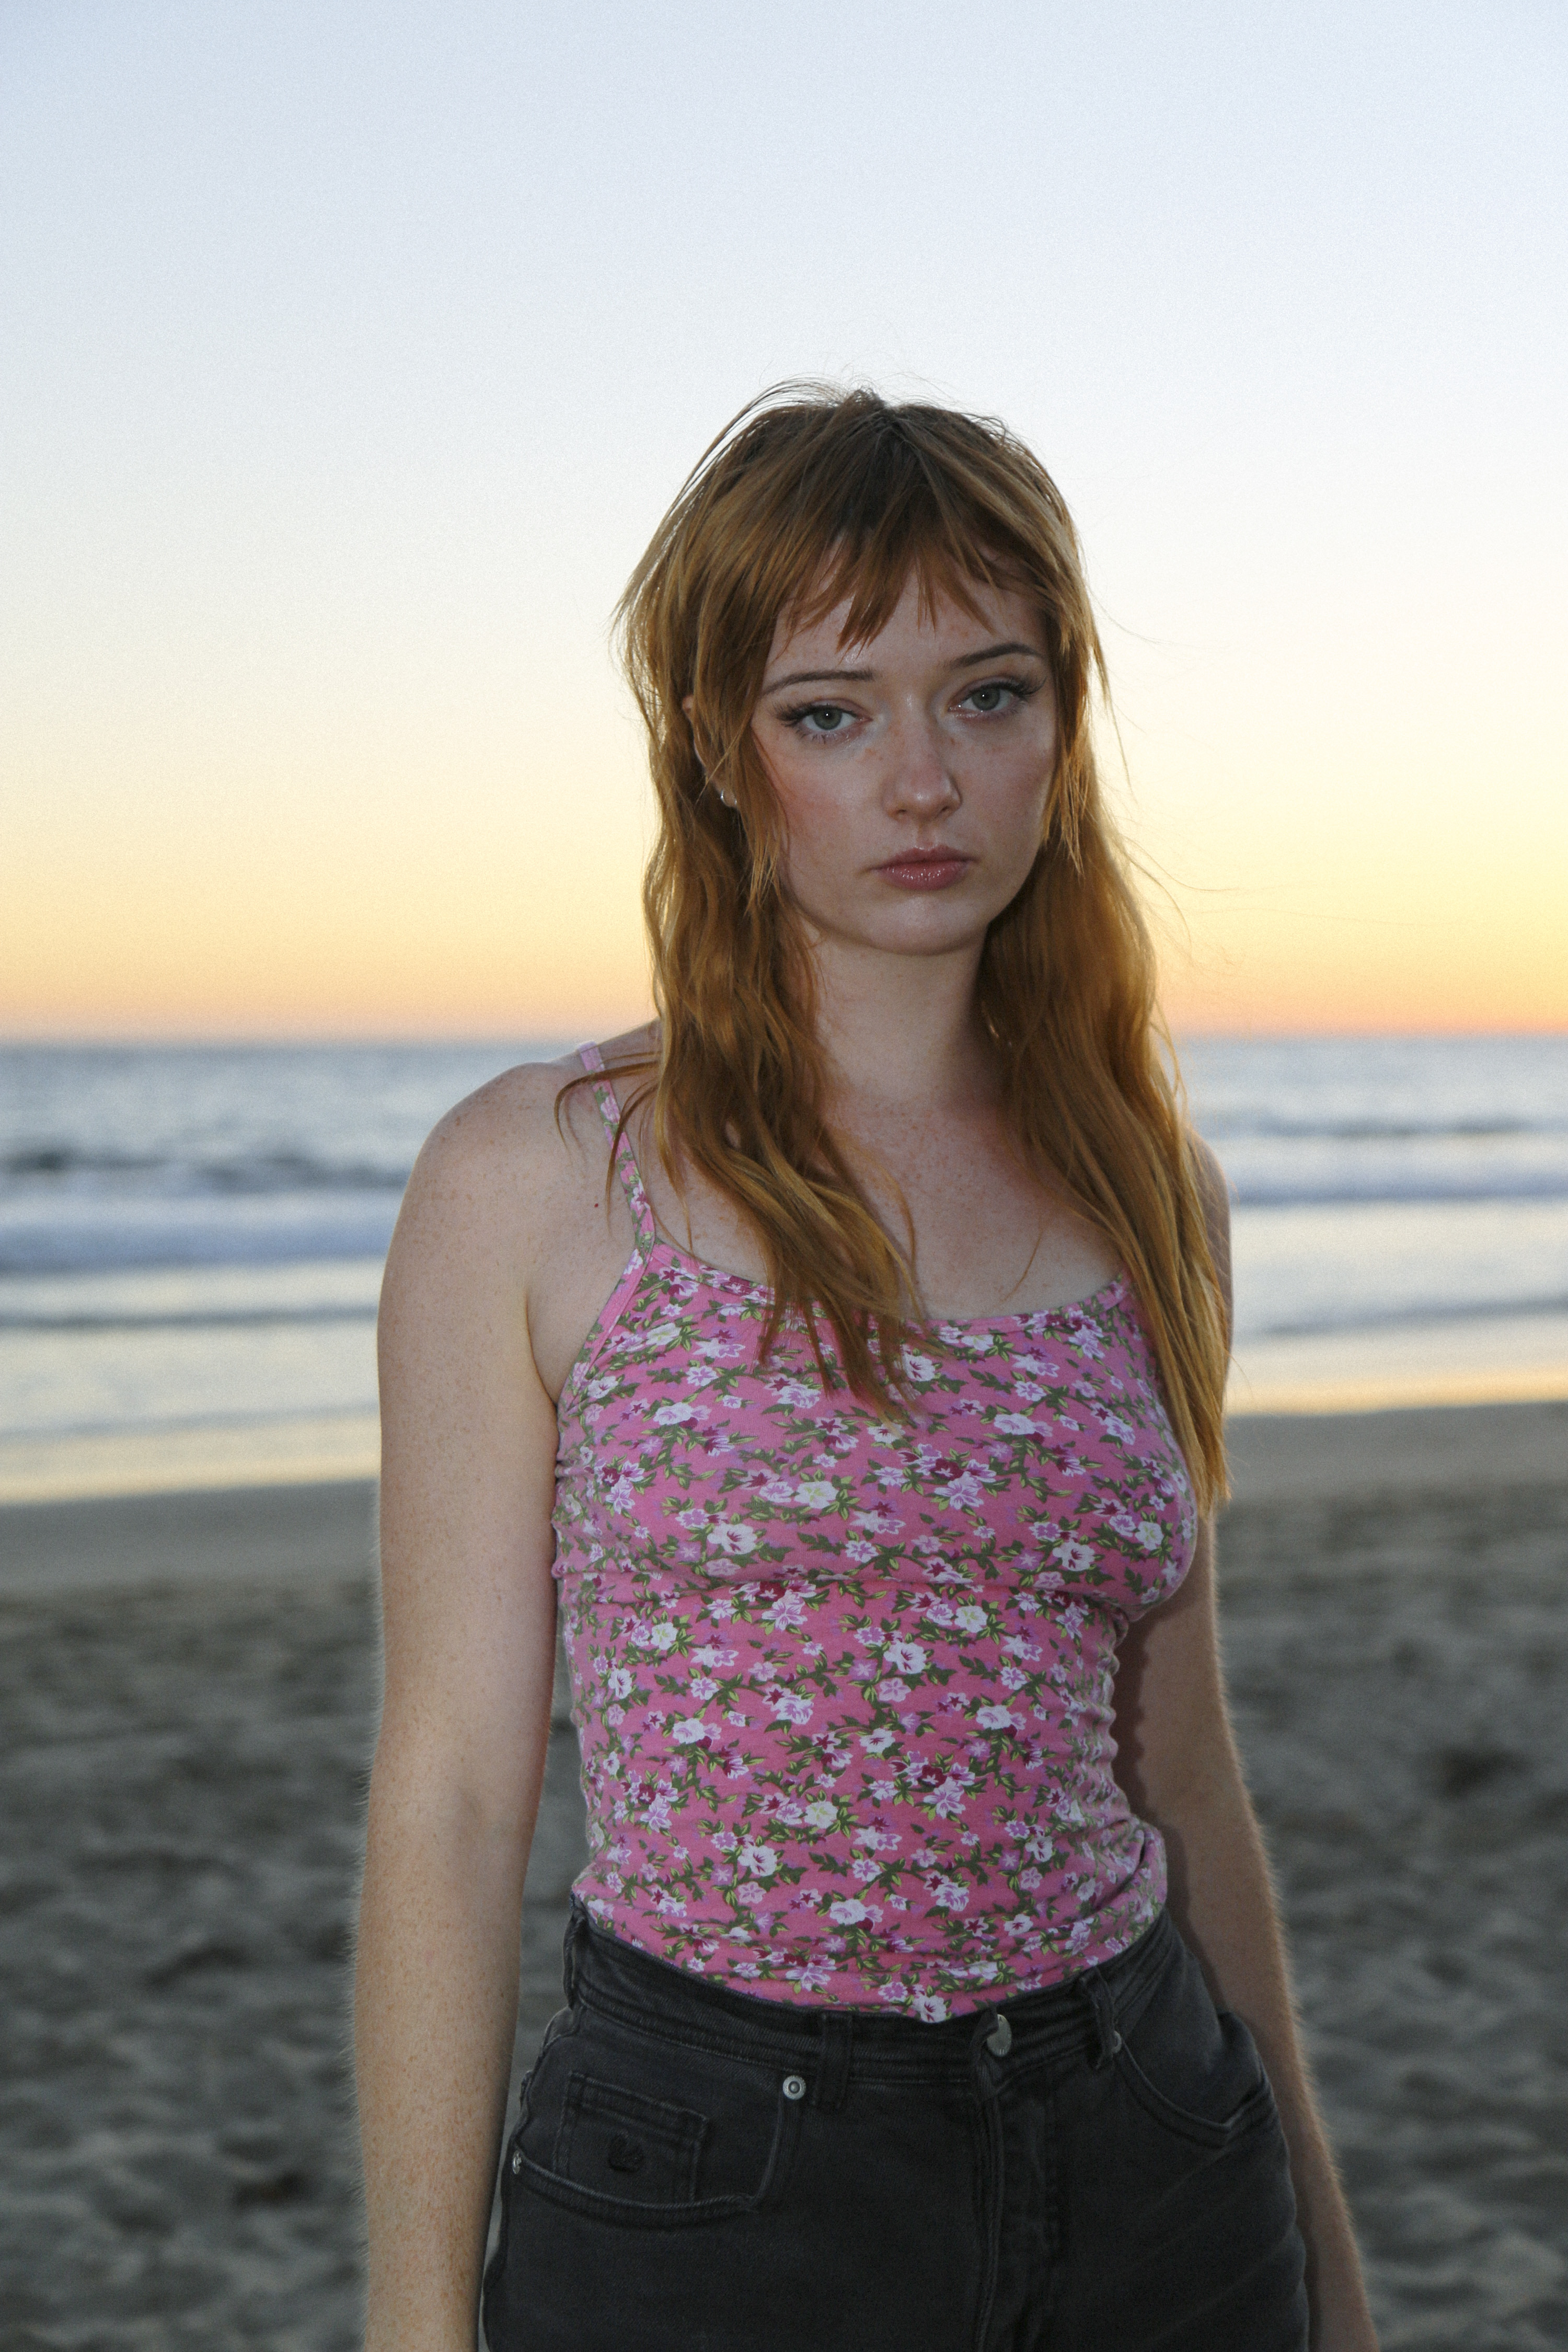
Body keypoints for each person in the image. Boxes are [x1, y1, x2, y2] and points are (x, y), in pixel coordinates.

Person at [354, 387, 1378, 2351]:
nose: (923, 778)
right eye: (832, 710)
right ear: (723, 758)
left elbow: (1179, 1768)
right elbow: (459, 1795)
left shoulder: (1150, 1186)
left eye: (986, 695)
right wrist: (417, 2316)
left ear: (1063, 731)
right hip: (716, 2181)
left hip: (1155, 2147)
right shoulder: (538, 1181)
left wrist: (1320, 2239)